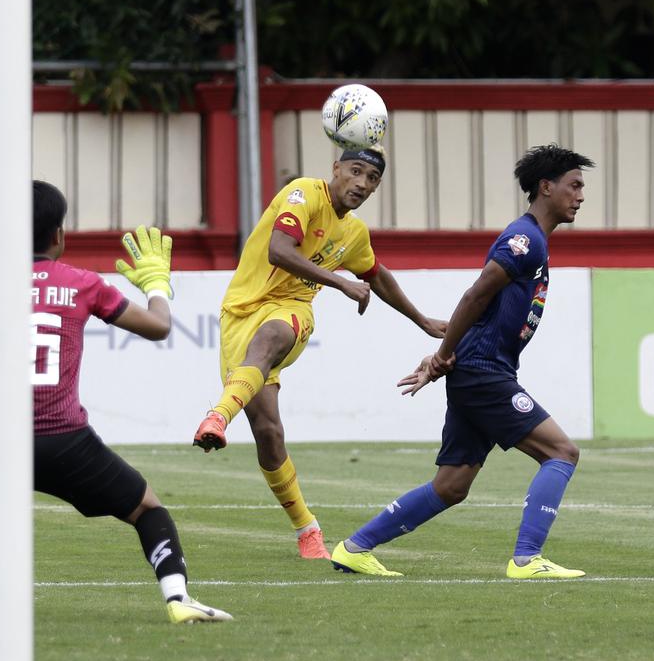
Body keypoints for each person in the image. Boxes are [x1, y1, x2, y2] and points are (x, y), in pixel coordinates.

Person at [0, 181, 232, 625]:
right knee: (147, 508)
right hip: (62, 439)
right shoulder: (83, 284)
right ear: (59, 235)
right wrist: (157, 285)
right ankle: (178, 600)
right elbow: (157, 327)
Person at [329, 144, 594, 579]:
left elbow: (482, 308)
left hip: (478, 368)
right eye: (574, 185)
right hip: (483, 371)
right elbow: (475, 295)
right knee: (562, 452)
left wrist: (449, 355)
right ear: (546, 188)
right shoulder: (524, 241)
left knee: (451, 487)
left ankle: (355, 547)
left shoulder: (534, 241)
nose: (581, 195)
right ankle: (527, 559)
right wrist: (444, 354)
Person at [191, 146, 445, 559]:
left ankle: (218, 416)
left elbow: (376, 275)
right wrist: (340, 283)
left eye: (373, 179)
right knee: (269, 434)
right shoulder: (304, 193)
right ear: (336, 170)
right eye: (356, 172)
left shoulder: (355, 234)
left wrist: (422, 321)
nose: (362, 184)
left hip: (292, 311)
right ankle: (308, 528)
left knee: (271, 338)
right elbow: (279, 250)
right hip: (239, 312)